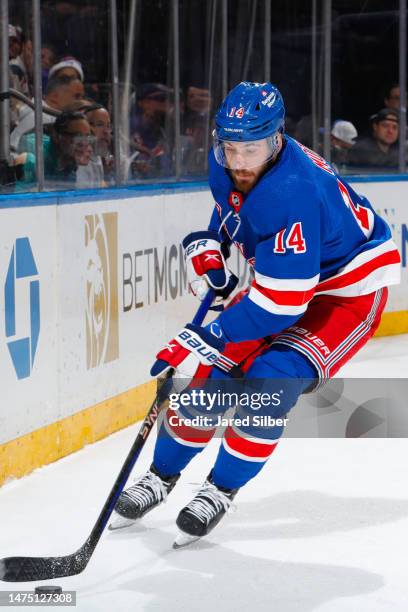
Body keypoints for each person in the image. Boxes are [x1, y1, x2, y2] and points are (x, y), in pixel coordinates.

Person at [112, 82, 401, 545]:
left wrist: (201, 336)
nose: (240, 161)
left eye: (253, 148)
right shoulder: (228, 161)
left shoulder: (293, 191)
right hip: (292, 279)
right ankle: (160, 477)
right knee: (213, 377)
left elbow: (282, 304)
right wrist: (212, 245)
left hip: (346, 293)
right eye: (230, 147)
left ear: (277, 138)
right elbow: (235, 211)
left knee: (270, 380)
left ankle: (220, 489)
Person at [11, 74, 85, 152]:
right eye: (77, 96)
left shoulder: (46, 115)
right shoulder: (42, 118)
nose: (82, 102)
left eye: (82, 97)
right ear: (54, 96)